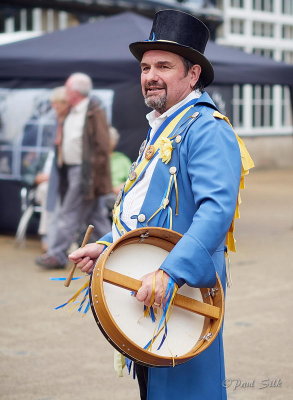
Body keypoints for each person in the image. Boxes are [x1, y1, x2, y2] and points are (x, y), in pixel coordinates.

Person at [69, 10, 254, 400]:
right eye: (145, 66)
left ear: (193, 75)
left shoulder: (207, 128)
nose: (150, 75)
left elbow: (215, 211)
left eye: (164, 66)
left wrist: (171, 272)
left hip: (183, 291)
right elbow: (144, 208)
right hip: (151, 290)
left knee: (185, 392)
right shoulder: (164, 126)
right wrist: (106, 244)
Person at [36, 73, 112, 269]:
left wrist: (94, 177)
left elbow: (103, 146)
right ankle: (113, 249)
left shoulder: (93, 111)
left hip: (85, 172)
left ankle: (56, 255)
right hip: (70, 171)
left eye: (68, 89)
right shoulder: (72, 111)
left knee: (68, 213)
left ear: (76, 92)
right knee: (95, 216)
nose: (66, 92)